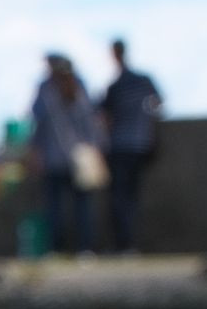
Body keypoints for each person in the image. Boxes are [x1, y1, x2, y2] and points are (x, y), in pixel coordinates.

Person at [25, 54, 104, 258]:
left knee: (68, 206)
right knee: (67, 207)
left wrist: (35, 151)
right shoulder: (69, 89)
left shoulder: (53, 91)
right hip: (67, 158)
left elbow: (38, 123)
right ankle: (74, 248)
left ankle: (69, 248)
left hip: (68, 158)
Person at [99, 40, 164, 254]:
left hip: (121, 146)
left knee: (120, 197)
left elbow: (104, 117)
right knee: (130, 197)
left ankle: (124, 243)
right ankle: (128, 242)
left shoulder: (116, 86)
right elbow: (158, 104)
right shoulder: (142, 81)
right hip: (140, 144)